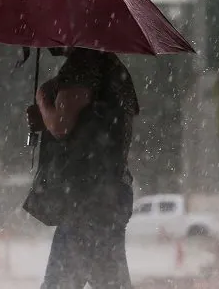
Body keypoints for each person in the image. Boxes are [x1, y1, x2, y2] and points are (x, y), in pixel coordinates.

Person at [24, 47, 139, 289]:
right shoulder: (111, 67)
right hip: (108, 195)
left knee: (59, 284)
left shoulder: (84, 62)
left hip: (86, 200)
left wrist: (43, 100)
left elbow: (62, 125)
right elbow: (87, 128)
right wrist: (45, 119)